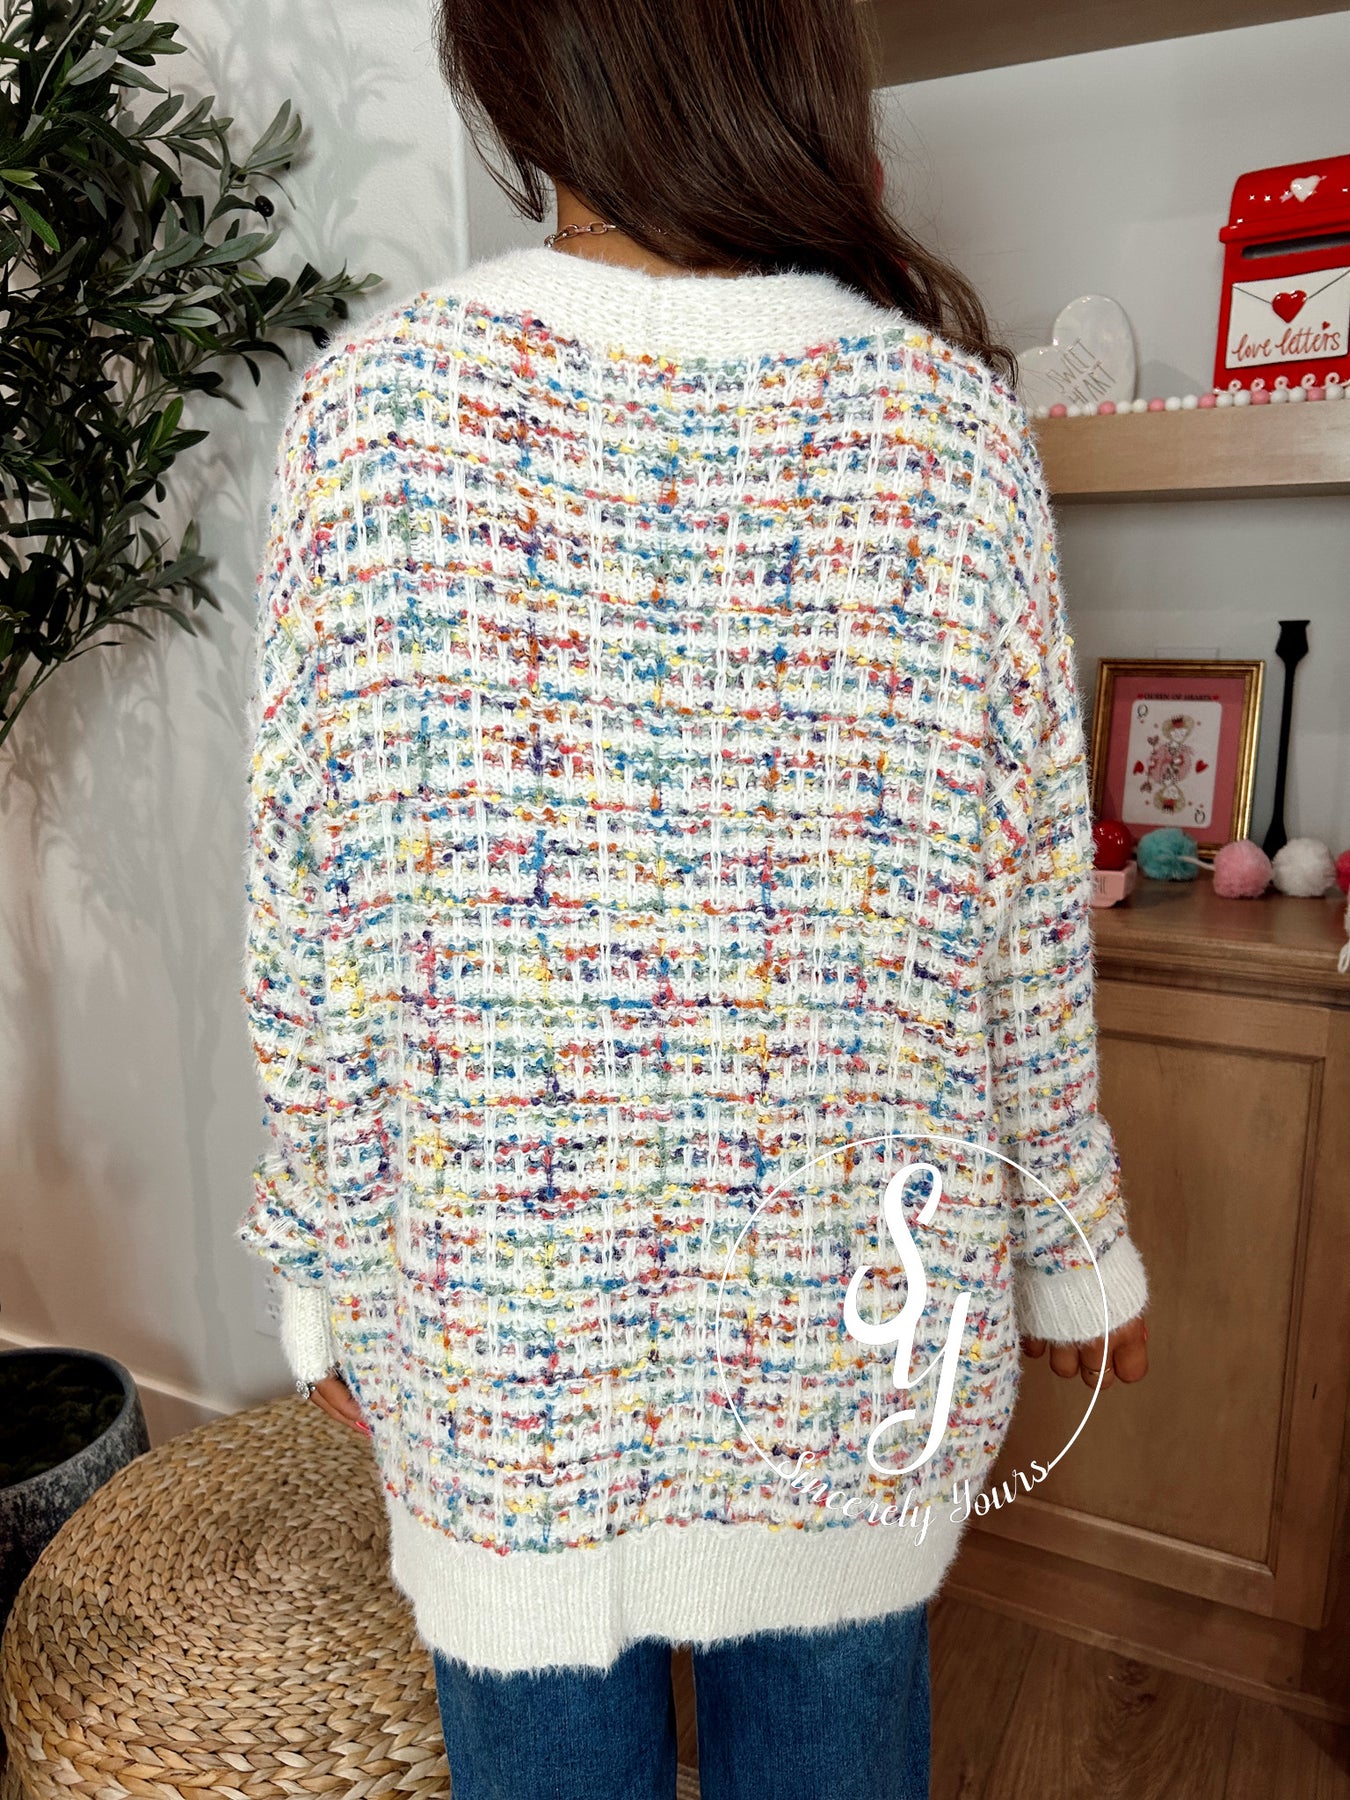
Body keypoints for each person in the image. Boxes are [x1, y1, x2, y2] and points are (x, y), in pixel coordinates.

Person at [236, 2, 1150, 1795]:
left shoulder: (377, 416)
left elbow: (310, 920)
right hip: (848, 1337)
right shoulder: (947, 431)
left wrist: (325, 1266)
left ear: (522, 76)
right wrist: (1069, 1241)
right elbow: (1024, 920)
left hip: (501, 1338)